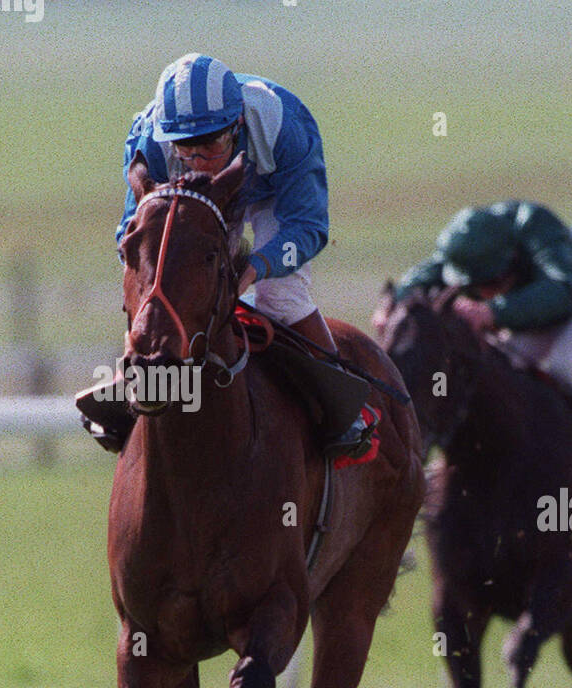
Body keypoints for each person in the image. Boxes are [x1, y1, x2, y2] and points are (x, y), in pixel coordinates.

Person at [81, 53, 367, 456]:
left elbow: (307, 226)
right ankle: (136, 382)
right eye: (185, 148)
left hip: (271, 195)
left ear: (237, 126)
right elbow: (132, 235)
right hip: (194, 204)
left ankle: (341, 405)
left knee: (279, 297)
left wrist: (254, 270)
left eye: (210, 145)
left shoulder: (284, 122)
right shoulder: (150, 140)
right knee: (168, 289)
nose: (198, 160)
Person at [396, 201, 572, 505]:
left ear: (510, 257)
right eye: (475, 287)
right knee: (502, 372)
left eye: (491, 283)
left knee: (569, 367)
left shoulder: (537, 226)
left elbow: (562, 287)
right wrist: (393, 305)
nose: (484, 293)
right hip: (533, 316)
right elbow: (420, 278)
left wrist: (492, 311)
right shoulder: (468, 247)